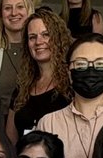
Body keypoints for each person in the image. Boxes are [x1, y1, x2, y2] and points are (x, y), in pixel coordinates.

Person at [9, 8, 71, 140]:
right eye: (32, 37)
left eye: (46, 35)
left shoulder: (71, 84)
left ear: (58, 39)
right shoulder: (21, 89)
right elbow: (10, 140)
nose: (38, 42)